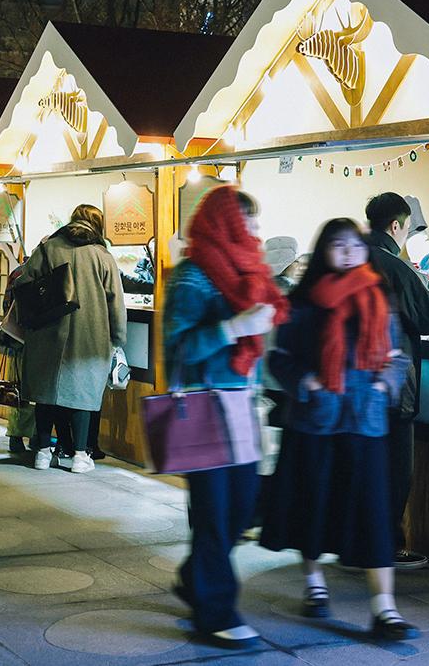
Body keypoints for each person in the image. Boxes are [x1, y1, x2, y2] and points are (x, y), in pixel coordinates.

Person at [261, 217, 417, 640]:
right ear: (324, 250)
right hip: (316, 422)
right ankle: (315, 583)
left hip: (364, 421)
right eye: (338, 245)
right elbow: (279, 359)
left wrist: (387, 380)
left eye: (355, 245)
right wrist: (305, 382)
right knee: (313, 506)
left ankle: (384, 608)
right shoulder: (305, 303)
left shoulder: (378, 299)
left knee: (373, 514)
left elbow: (398, 355)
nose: (348, 252)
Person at [163, 181, 287, 649]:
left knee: (242, 507)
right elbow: (179, 348)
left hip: (242, 408)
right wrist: (234, 326)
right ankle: (215, 613)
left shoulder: (248, 272)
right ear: (223, 223)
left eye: (255, 219)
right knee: (216, 514)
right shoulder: (193, 277)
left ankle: (197, 578)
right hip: (202, 404)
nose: (254, 229)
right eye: (245, 220)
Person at [364, 193, 429, 570]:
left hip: (351, 387)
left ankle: (356, 545)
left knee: (362, 467)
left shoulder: (344, 259)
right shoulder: (393, 267)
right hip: (390, 387)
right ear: (396, 226)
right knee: (394, 471)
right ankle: (387, 548)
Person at [17, 204, 125, 474]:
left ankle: (42, 453)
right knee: (83, 396)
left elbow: (23, 284)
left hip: (47, 334)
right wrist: (118, 337)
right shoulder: (102, 256)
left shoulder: (48, 248)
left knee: (46, 395)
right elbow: (115, 301)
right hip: (90, 338)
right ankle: (79, 456)